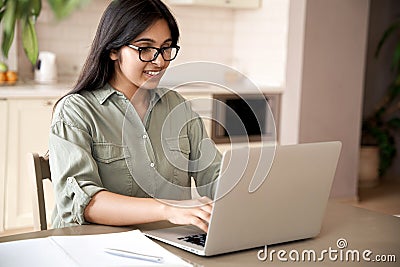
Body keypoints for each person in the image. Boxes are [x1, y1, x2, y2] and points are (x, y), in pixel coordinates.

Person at [49, 0, 221, 233]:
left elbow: (215, 175)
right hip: (95, 247)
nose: (159, 61)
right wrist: (169, 209)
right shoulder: (76, 111)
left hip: (169, 244)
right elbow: (84, 202)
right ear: (113, 50)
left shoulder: (178, 108)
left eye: (166, 48)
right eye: (145, 48)